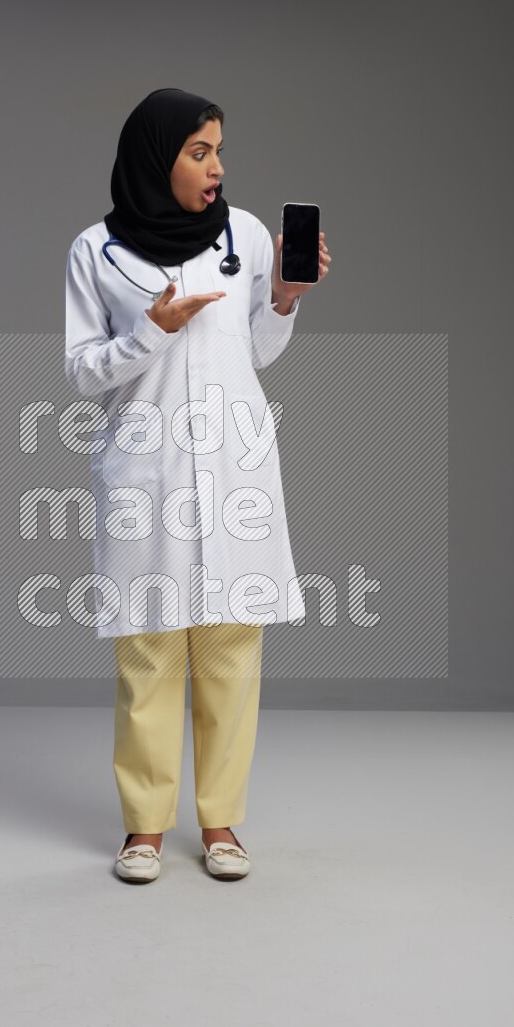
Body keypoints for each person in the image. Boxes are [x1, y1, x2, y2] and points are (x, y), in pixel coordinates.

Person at [64, 88, 331, 882]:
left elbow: (258, 351)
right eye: (199, 151)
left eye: (218, 149)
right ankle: (143, 829)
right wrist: (152, 330)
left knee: (230, 656)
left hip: (235, 469)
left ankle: (220, 824)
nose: (217, 166)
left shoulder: (245, 235)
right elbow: (81, 371)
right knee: (148, 655)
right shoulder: (96, 251)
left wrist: (285, 295)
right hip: (149, 473)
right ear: (158, 157)